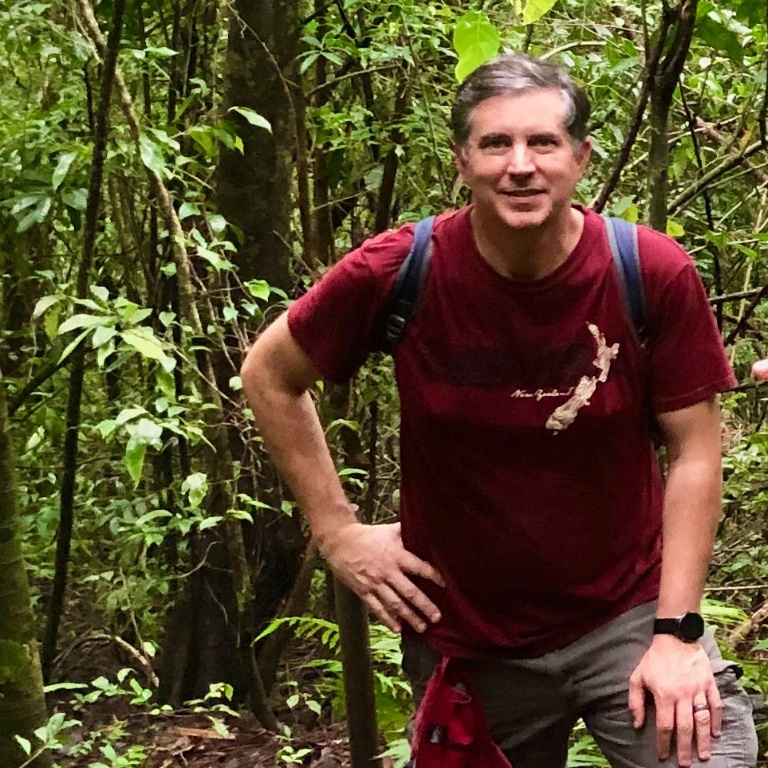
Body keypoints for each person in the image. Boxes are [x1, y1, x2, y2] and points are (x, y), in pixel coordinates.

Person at [240, 54, 757, 768]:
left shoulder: (648, 271)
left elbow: (694, 452)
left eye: (543, 142)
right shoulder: (400, 271)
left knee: (710, 754)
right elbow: (269, 375)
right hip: (469, 637)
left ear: (580, 158)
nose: (520, 166)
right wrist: (337, 532)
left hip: (629, 613)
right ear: (462, 162)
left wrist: (677, 633)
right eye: (495, 144)